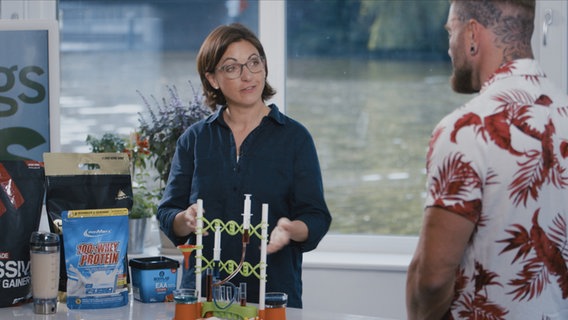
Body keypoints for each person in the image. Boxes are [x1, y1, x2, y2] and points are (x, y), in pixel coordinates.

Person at [406, 0, 568, 319]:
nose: (449, 48)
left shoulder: (467, 129)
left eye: (451, 31)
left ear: (471, 35)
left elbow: (434, 279)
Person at [156, 23, 332, 309]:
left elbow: (317, 217)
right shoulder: (194, 139)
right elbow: (167, 211)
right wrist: (184, 219)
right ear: (212, 78)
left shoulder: (295, 138)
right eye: (232, 67)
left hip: (272, 298)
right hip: (202, 297)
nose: (247, 75)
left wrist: (290, 228)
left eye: (254, 62)